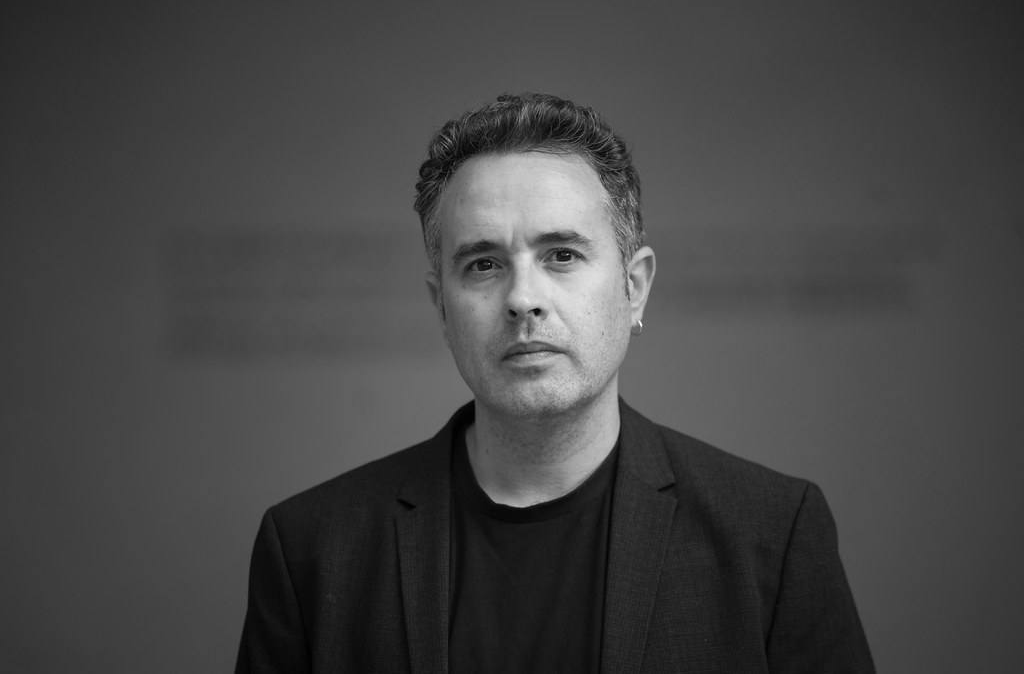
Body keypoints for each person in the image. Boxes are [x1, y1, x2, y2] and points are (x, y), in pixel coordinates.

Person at [235, 93, 874, 672]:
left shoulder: (772, 535)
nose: (523, 299)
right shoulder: (312, 550)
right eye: (484, 264)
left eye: (562, 255)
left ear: (634, 287)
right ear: (442, 308)